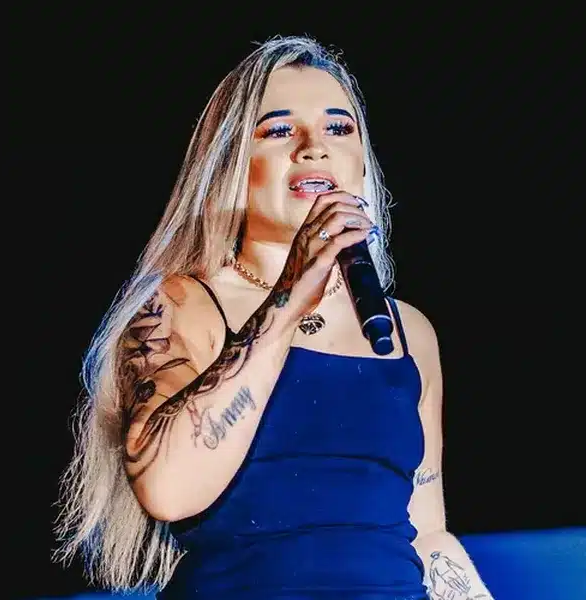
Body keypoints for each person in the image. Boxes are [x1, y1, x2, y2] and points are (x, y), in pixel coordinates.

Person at [54, 35, 494, 600]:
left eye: (339, 128)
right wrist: (289, 296)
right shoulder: (178, 306)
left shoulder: (407, 332)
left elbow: (428, 533)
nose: (314, 148)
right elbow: (168, 490)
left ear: (361, 161)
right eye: (280, 130)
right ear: (232, 164)